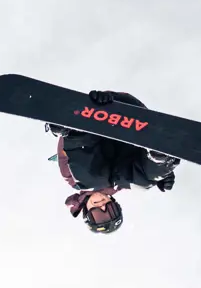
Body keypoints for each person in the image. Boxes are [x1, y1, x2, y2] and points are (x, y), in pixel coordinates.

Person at [49, 92, 177, 233]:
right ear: (114, 203)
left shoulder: (73, 178)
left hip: (93, 119)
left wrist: (63, 129)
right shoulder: (122, 182)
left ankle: (76, 128)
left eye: (98, 215)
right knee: (142, 185)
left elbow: (66, 152)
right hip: (128, 118)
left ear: (86, 211)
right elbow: (139, 175)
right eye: (110, 210)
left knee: (90, 180)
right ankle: (160, 156)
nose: (103, 207)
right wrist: (158, 174)